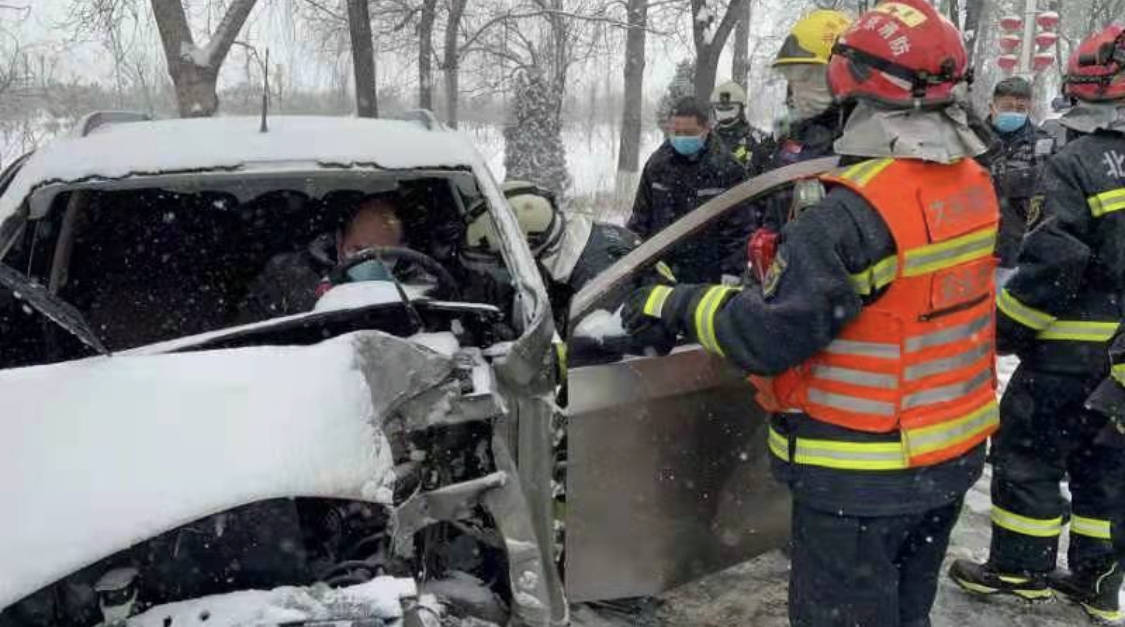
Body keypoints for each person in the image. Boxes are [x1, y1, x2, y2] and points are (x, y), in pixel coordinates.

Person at [623, 3, 996, 624]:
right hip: (949, 456)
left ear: (850, 80)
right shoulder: (968, 182)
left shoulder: (849, 214)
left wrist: (672, 301)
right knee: (904, 613)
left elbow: (769, 335)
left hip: (863, 474)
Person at [948, 24, 1125, 623]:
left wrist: (1006, 330)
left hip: (1071, 352)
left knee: (1030, 449)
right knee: (1106, 464)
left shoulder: (1079, 162)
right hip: (1122, 365)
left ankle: (1021, 569)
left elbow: (1055, 260)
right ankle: (1097, 579)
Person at [238, 192, 417, 322]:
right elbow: (248, 337)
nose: (370, 262)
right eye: (358, 250)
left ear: (403, 249)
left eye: (384, 254)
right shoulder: (287, 277)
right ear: (339, 242)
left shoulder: (422, 285)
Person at [627, 97, 746, 283]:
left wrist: (733, 271)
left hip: (708, 277)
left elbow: (740, 228)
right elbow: (640, 219)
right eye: (677, 132)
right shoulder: (657, 166)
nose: (682, 138)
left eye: (689, 132)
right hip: (661, 273)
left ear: (706, 129)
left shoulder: (727, 169)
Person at [979, 76, 1055, 279]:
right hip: (974, 248)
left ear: (1029, 109)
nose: (1013, 113)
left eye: (1020, 109)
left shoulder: (1044, 144)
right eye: (1007, 107)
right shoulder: (973, 141)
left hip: (1019, 251)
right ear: (992, 106)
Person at [710, 80, 774, 174]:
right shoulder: (709, 137)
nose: (724, 114)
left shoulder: (756, 138)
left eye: (729, 108)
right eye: (720, 108)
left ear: (741, 109)